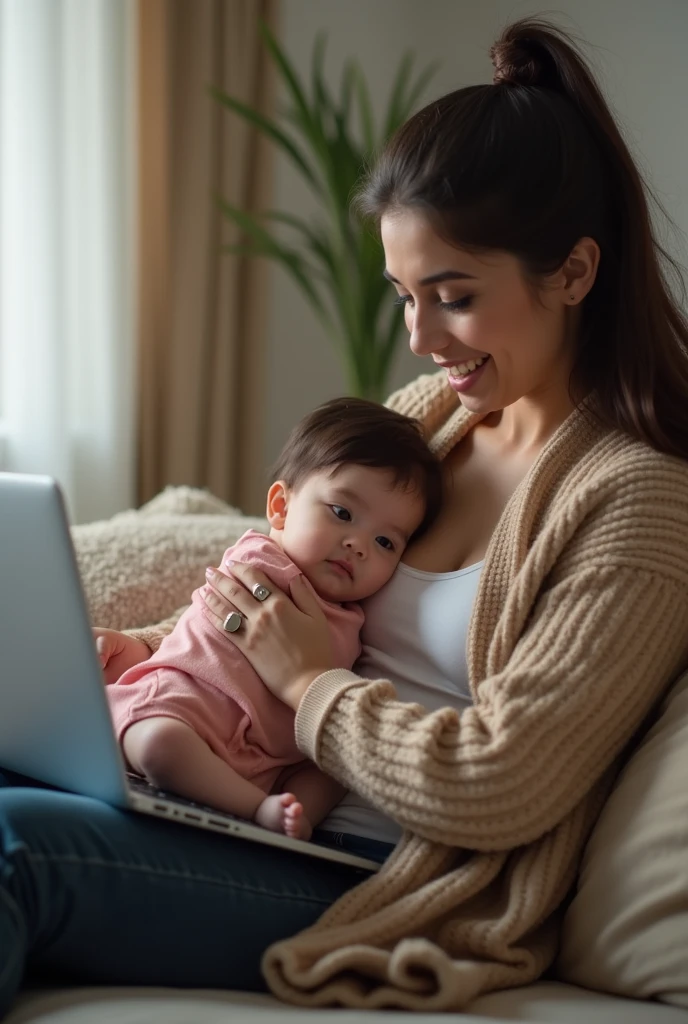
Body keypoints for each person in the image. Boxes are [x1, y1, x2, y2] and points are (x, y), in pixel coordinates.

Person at [1, 15, 688, 1017]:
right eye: (405, 295)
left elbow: (503, 781)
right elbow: (268, 589)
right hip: (233, 796)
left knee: (17, 846)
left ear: (574, 273)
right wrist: (130, 650)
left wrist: (311, 684)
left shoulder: (642, 499)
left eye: (450, 296)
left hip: (372, 869)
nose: (417, 338)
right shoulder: (433, 422)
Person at [101, 397, 441, 840]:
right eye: (341, 513)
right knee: (160, 745)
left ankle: (290, 817)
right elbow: (200, 618)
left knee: (337, 772)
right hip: (182, 709)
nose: (358, 545)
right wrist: (141, 647)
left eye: (385, 542)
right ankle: (258, 812)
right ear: (280, 508)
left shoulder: (357, 618)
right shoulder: (262, 561)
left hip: (263, 760)